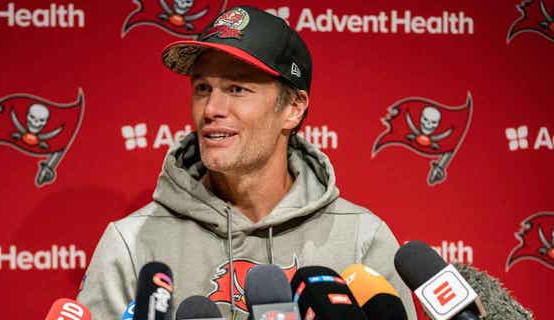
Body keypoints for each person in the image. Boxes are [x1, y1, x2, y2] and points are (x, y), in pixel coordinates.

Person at [78, 5, 417, 320]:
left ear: (293, 108)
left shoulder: (361, 236)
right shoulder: (133, 242)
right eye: (202, 88)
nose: (211, 109)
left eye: (237, 88)